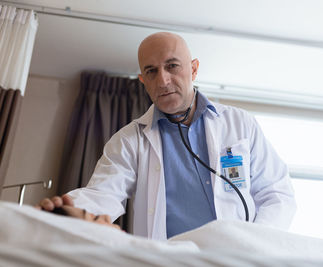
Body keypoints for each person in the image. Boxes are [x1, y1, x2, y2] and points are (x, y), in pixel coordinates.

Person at [38, 32, 296, 240]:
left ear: (193, 69)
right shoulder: (129, 140)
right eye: (151, 71)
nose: (163, 80)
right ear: (143, 80)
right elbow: (102, 194)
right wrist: (67, 207)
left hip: (235, 258)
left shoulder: (240, 124)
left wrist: (256, 243)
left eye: (172, 66)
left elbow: (276, 193)